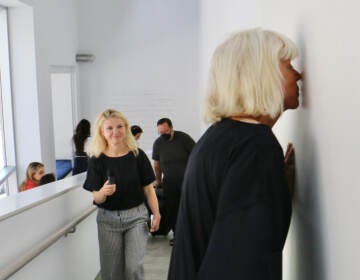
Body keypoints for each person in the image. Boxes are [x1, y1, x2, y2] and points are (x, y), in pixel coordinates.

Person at [167, 28, 301, 280]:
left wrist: (275, 191)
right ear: (261, 76)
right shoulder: (254, 147)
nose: (299, 74)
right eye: (288, 66)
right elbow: (240, 260)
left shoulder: (220, 138)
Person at [83, 108, 160, 280]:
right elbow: (96, 197)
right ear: (102, 132)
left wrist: (156, 213)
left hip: (136, 217)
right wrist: (102, 192)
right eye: (109, 128)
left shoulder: (137, 155)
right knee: (112, 273)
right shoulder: (96, 159)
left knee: (133, 268)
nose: (115, 132)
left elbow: (148, 189)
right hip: (107, 220)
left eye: (119, 126)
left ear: (126, 128)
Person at [152, 118, 195, 245]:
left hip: (188, 181)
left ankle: (192, 236)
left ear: (171, 128)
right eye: (160, 133)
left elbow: (196, 156)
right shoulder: (158, 143)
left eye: (165, 131)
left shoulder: (184, 139)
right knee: (173, 210)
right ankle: (178, 236)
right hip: (169, 183)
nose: (163, 135)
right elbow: (157, 165)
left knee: (189, 208)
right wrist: (158, 181)